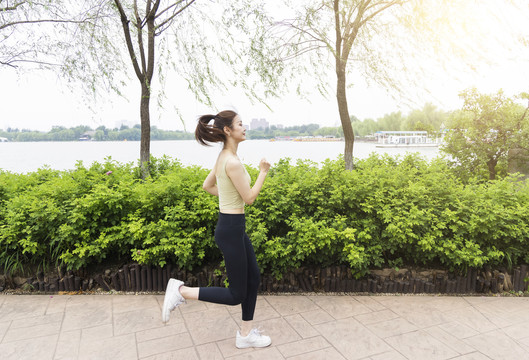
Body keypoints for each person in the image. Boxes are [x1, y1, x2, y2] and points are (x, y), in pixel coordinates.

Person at [162, 110, 272, 349]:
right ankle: (181, 291)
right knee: (236, 295)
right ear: (227, 130)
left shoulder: (223, 157)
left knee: (253, 278)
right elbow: (250, 198)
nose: (245, 128)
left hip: (232, 227)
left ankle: (245, 334)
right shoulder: (232, 162)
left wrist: (232, 197)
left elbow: (207, 185)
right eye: (240, 124)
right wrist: (263, 172)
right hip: (231, 229)